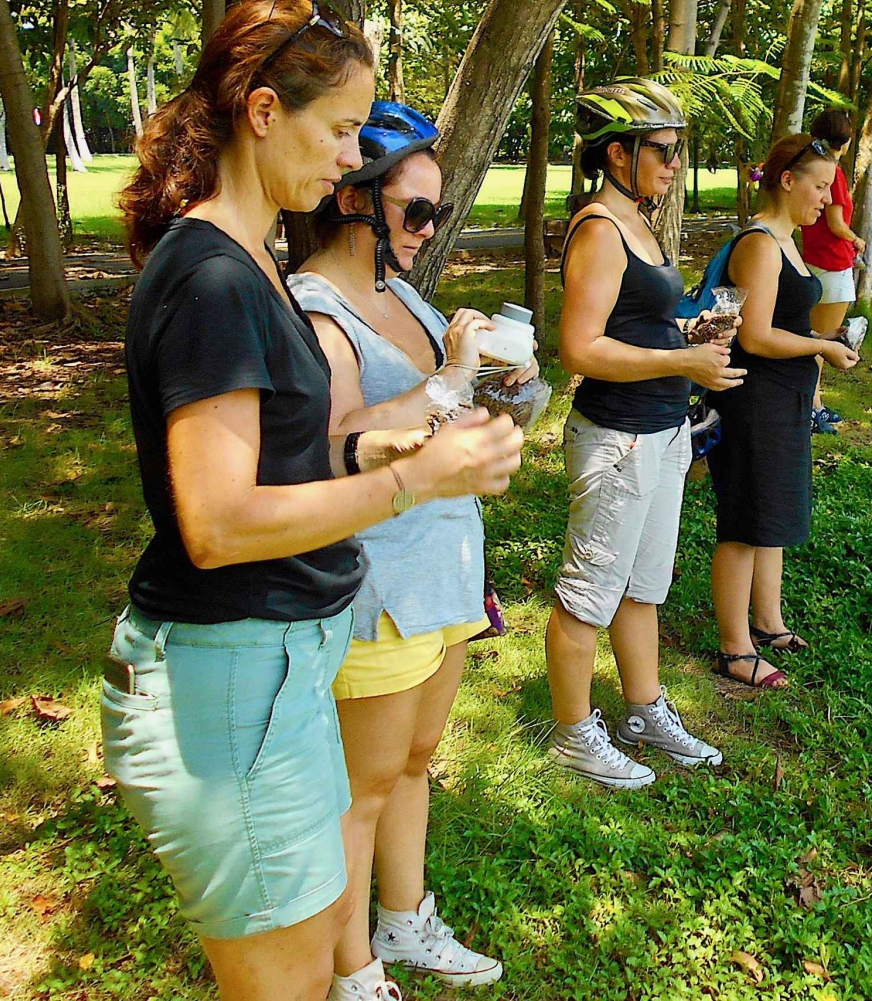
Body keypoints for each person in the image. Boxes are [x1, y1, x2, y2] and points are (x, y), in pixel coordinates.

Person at [108, 6, 523, 999]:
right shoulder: (215, 275)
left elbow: (286, 449)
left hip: (274, 667)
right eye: (341, 130)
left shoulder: (251, 264)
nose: (349, 160)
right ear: (261, 113)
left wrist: (386, 440)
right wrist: (409, 480)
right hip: (228, 685)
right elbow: (215, 525)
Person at [290, 102, 534, 997]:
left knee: (417, 761)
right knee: (362, 789)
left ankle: (404, 919)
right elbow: (337, 436)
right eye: (414, 211)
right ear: (355, 201)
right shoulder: (318, 306)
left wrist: (497, 378)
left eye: (437, 212)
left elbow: (448, 401)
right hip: (378, 577)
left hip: (445, 567)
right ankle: (351, 967)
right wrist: (446, 381)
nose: (428, 232)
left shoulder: (401, 292)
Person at [545, 78, 744, 789]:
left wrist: (686, 333)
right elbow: (579, 348)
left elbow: (634, 320)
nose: (673, 164)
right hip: (618, 436)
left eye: (677, 151)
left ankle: (643, 709)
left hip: (663, 431)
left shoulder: (640, 218)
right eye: (662, 150)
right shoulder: (599, 227)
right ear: (617, 153)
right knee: (588, 591)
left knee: (643, 587)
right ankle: (572, 734)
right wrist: (680, 358)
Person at [708, 134, 860, 690]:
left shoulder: (790, 240)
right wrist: (821, 345)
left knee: (770, 517)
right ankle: (734, 648)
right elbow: (757, 336)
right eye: (820, 186)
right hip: (755, 399)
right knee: (746, 521)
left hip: (785, 397)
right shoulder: (761, 244)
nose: (828, 198)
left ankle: (768, 625)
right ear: (788, 182)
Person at [799, 109, 863, 436]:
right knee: (821, 342)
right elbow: (837, 224)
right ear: (847, 140)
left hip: (816, 258)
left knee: (816, 338)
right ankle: (811, 408)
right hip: (833, 262)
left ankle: (816, 404)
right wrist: (857, 239)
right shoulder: (833, 173)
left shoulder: (814, 166)